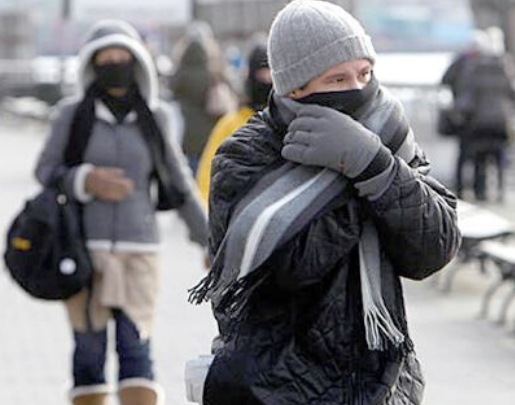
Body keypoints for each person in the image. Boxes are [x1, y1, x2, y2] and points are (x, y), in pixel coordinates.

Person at [189, 1, 461, 404]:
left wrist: (377, 168)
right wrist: (354, 176)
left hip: (380, 385)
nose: (358, 89)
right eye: (338, 79)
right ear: (296, 86)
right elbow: (290, 268)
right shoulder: (244, 155)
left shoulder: (387, 138)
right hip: (275, 388)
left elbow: (434, 248)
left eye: (365, 73)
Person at [35, 20, 208, 405]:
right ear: (91, 65)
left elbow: (179, 185)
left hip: (139, 251)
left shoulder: (155, 118)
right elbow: (45, 171)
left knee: (136, 350)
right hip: (83, 251)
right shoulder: (71, 115)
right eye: (105, 59)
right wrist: (84, 180)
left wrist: (211, 241)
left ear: (138, 63)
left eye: (122, 58)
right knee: (89, 353)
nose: (114, 65)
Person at [442, 28, 515, 202]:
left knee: (474, 157)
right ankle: (499, 193)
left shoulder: (471, 67)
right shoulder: (505, 67)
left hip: (476, 122)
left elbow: (465, 96)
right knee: (498, 158)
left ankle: (474, 193)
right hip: (500, 121)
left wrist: (457, 114)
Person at [196, 43, 271, 203]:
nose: (267, 81)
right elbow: (208, 172)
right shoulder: (230, 124)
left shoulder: (292, 122)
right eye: (261, 74)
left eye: (271, 75)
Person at [172, 22, 236, 173]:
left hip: (188, 135)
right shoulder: (215, 72)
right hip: (212, 131)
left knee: (192, 172)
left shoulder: (179, 74)